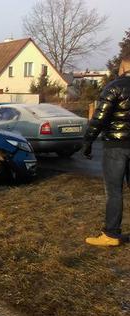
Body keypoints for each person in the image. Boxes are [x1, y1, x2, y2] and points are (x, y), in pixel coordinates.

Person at [82, 56, 130, 246]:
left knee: (114, 191)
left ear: (123, 68)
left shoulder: (114, 87)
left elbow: (99, 118)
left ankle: (111, 234)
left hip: (115, 148)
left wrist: (88, 142)